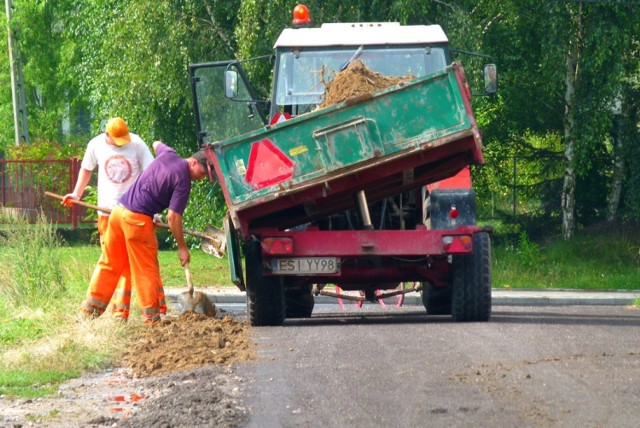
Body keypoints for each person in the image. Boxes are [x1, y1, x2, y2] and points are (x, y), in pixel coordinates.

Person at [80, 141, 211, 324]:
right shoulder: (184, 181)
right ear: (194, 163)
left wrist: (153, 204)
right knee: (146, 270)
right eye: (203, 173)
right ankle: (152, 319)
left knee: (109, 263)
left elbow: (156, 143)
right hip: (137, 222)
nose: (202, 178)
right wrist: (182, 247)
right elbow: (173, 217)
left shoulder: (169, 153)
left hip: (118, 213)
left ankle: (88, 311)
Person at [62, 117, 166, 321]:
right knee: (115, 262)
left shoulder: (136, 144)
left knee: (141, 261)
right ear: (106, 134)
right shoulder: (95, 145)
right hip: (107, 214)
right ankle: (118, 312)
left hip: (135, 212)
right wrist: (76, 193)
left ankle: (129, 312)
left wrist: (153, 212)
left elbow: (153, 175)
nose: (121, 143)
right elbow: (86, 169)